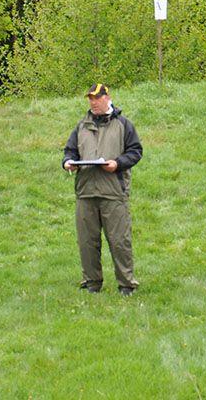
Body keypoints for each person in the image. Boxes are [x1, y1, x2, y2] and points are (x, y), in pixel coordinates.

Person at [62, 83, 143, 296]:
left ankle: (126, 285)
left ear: (108, 98)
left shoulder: (124, 125)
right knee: (87, 242)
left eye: (97, 98)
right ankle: (92, 283)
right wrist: (68, 162)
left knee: (119, 241)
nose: (93, 102)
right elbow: (69, 151)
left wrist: (117, 163)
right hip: (86, 192)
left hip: (113, 192)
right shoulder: (81, 126)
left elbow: (135, 152)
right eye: (90, 98)